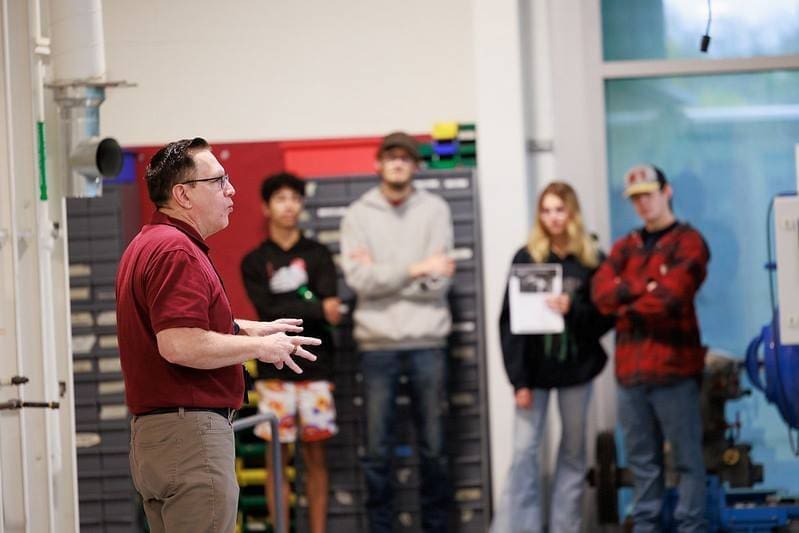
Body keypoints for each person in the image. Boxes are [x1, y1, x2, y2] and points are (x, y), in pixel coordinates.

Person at [116, 138, 321, 533]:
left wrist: (248, 329)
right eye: (218, 180)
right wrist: (261, 347)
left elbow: (177, 326)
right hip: (190, 437)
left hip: (159, 438)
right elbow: (179, 343)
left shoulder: (149, 243)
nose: (232, 190)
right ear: (183, 194)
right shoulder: (176, 250)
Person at [339, 131, 455, 533]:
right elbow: (359, 280)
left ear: (416, 166)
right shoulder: (358, 214)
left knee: (436, 449)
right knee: (375, 451)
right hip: (376, 346)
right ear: (378, 164)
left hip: (429, 342)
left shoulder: (436, 209)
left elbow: (439, 283)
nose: (399, 163)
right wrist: (418, 268)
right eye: (391, 156)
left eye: (406, 157)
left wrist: (384, 274)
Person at [592, 164, 710, 532]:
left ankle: (691, 528)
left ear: (667, 191)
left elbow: (673, 296)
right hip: (630, 375)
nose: (643, 203)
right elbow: (600, 295)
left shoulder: (689, 242)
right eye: (636, 198)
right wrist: (644, 288)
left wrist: (626, 294)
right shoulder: (624, 246)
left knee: (688, 461)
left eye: (649, 194)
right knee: (643, 464)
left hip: (674, 371)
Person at [491, 182, 613, 533]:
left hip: (577, 370)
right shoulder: (527, 257)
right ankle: (518, 528)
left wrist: (572, 309)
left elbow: (604, 319)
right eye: (546, 210)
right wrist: (519, 381)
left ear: (571, 213)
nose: (553, 217)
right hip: (534, 372)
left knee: (573, 453)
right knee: (524, 452)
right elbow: (508, 322)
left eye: (559, 209)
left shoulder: (592, 260)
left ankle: (565, 527)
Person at [241, 172, 341, 533]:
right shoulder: (254, 261)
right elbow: (267, 312)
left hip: (317, 368)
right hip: (273, 370)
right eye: (280, 198)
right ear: (266, 207)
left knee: (317, 458)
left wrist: (301, 307)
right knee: (276, 459)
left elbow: (333, 309)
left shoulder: (319, 253)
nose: (289, 205)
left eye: (295, 198)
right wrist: (314, 307)